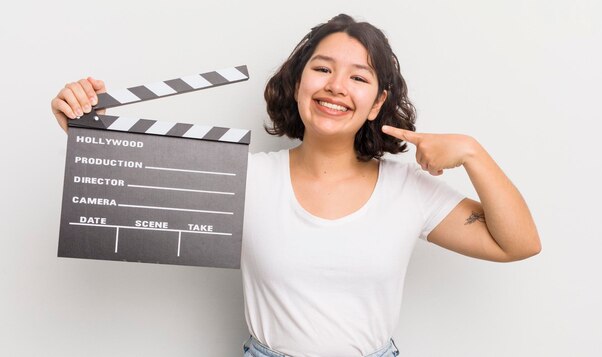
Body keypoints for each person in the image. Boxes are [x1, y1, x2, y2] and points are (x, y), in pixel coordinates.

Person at [51, 14, 541, 357]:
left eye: (359, 77)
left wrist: (474, 153)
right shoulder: (246, 180)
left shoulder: (407, 188)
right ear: (298, 83)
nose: (335, 86)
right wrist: (81, 121)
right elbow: (130, 181)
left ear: (376, 103)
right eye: (322, 69)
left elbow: (518, 243)